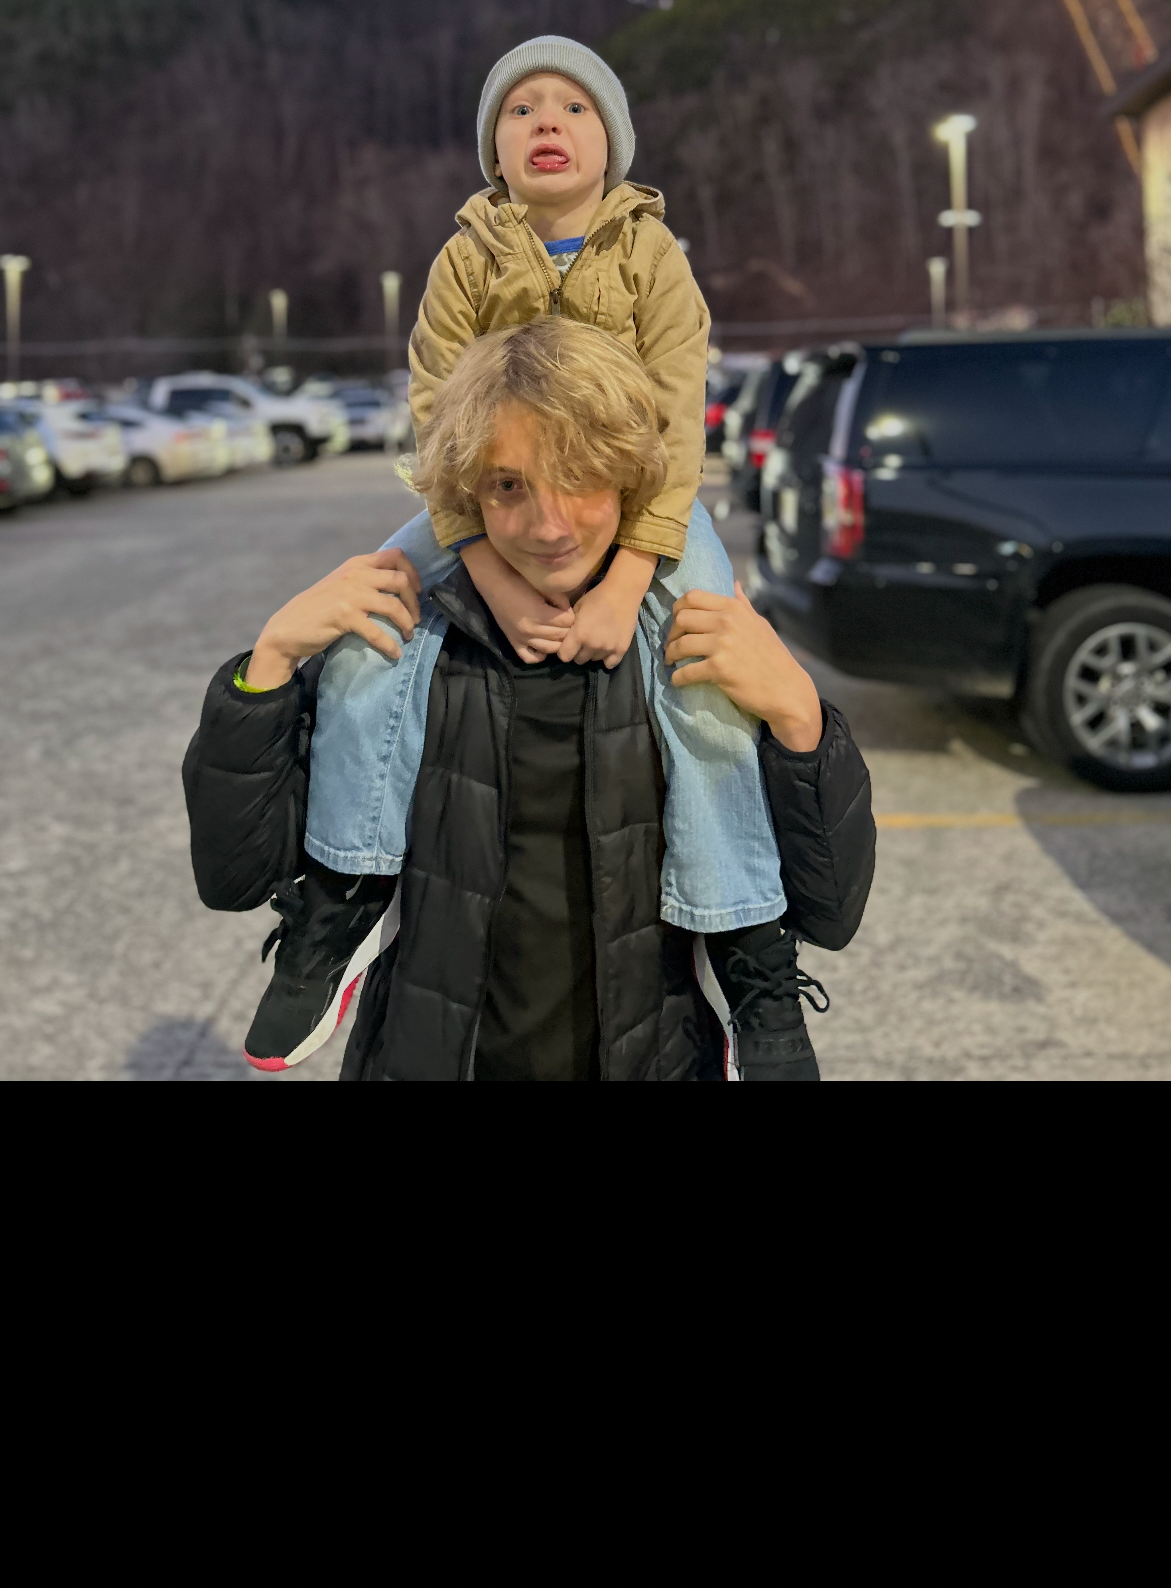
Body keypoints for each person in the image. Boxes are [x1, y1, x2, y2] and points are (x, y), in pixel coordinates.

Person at [240, 34, 815, 1064]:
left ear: (612, 142)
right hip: (487, 499)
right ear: (495, 150)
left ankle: (747, 946)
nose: (547, 120)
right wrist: (490, 575)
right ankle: (343, 893)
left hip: (638, 504)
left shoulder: (652, 255)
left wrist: (631, 577)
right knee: (373, 633)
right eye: (521, 108)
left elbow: (679, 418)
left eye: (574, 106)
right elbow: (435, 420)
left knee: (712, 679)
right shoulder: (465, 258)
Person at [183, 322, 875, 1081]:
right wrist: (270, 664)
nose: (549, 526)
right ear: (467, 491)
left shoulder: (695, 645)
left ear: (629, 475)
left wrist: (800, 718)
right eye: (509, 485)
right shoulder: (403, 648)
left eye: (578, 475)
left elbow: (832, 912)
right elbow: (235, 879)